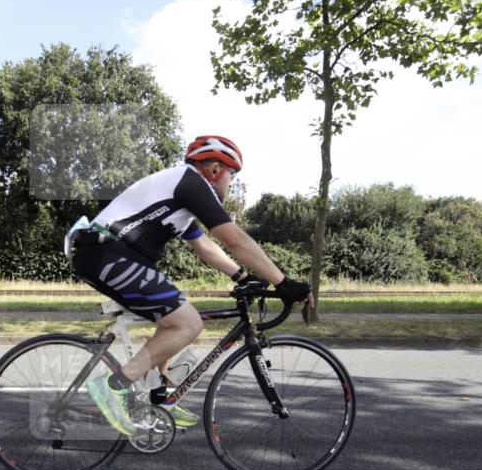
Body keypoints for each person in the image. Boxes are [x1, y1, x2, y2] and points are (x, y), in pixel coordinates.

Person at [69, 135, 313, 435]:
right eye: (232, 175)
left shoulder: (180, 195)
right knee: (187, 323)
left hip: (110, 255)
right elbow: (233, 238)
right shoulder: (190, 181)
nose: (232, 183)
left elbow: (204, 247)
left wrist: (242, 276)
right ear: (214, 169)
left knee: (174, 312)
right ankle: (116, 387)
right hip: (107, 253)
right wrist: (283, 282)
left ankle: (157, 396)